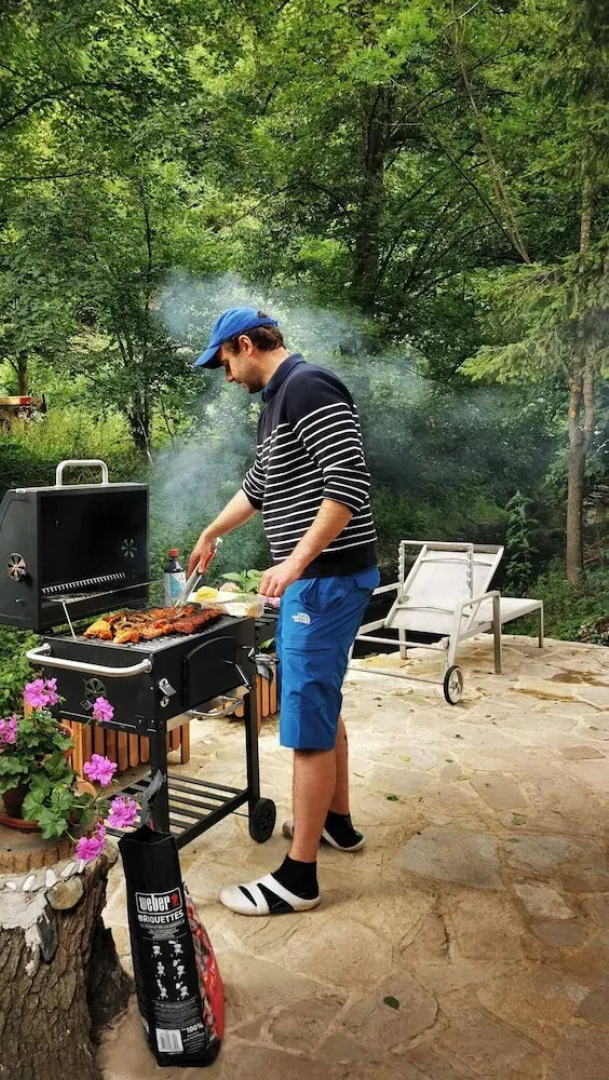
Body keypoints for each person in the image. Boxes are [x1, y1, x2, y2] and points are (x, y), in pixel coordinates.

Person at [189, 306, 379, 917]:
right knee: (322, 701)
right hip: (320, 583)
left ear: (245, 344)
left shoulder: (307, 385)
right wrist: (211, 532)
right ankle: (338, 822)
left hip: (322, 585)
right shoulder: (276, 402)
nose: (225, 375)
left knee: (302, 722)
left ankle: (299, 878)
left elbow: (347, 483)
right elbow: (259, 486)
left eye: (224, 361)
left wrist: (294, 563)